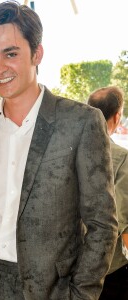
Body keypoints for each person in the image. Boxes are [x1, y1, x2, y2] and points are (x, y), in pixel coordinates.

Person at [0, 1, 118, 299]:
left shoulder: (81, 122)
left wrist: (81, 294)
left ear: (37, 54)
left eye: (11, 54)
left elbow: (102, 223)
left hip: (50, 288)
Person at [88, 86, 128, 300]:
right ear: (117, 116)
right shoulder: (121, 158)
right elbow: (118, 219)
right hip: (108, 270)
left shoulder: (66, 150)